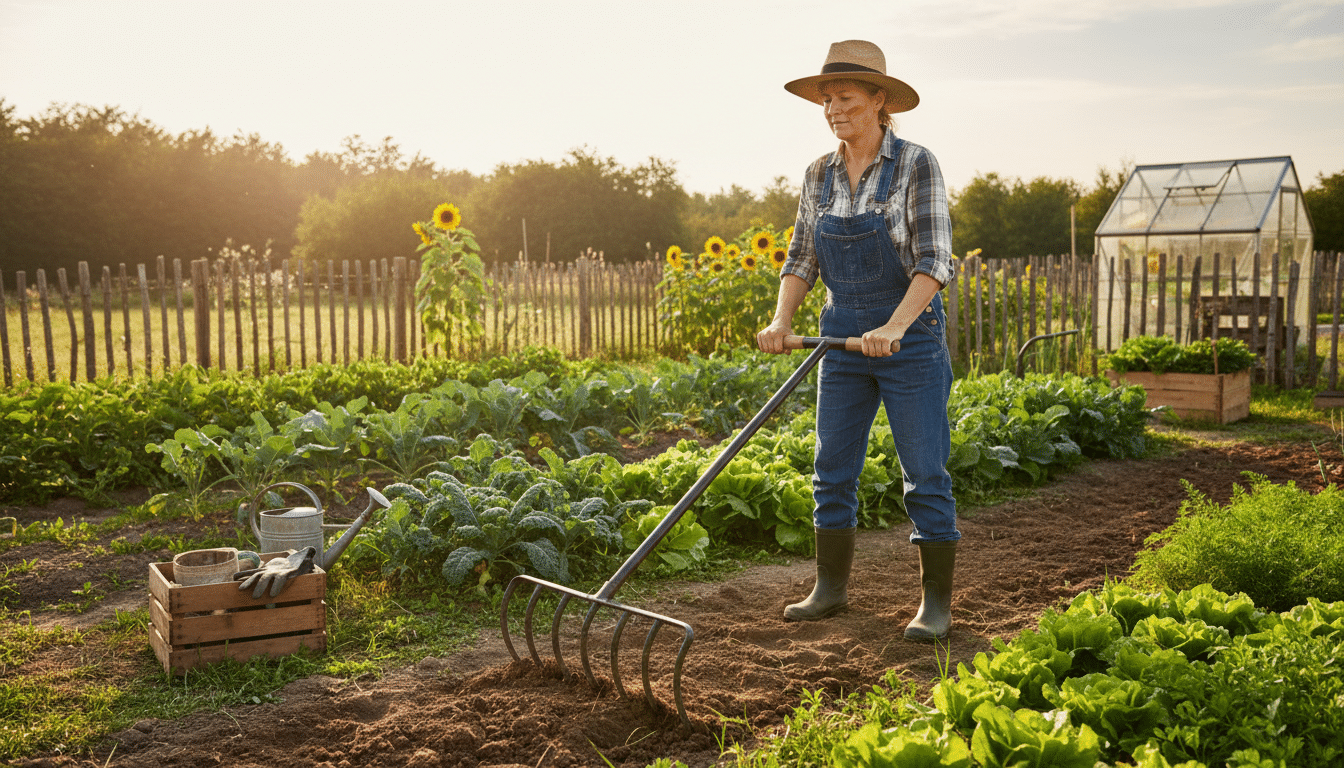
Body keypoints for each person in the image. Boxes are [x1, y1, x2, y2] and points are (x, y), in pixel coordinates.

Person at [756, 40, 959, 642]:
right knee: (830, 467)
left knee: (924, 470)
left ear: (878, 101)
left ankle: (935, 604)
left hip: (909, 340)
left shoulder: (916, 164)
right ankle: (830, 589)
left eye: (845, 97)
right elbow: (801, 257)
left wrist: (895, 326)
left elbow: (935, 258)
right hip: (839, 337)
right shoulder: (819, 173)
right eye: (826, 99)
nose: (833, 109)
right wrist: (780, 321)